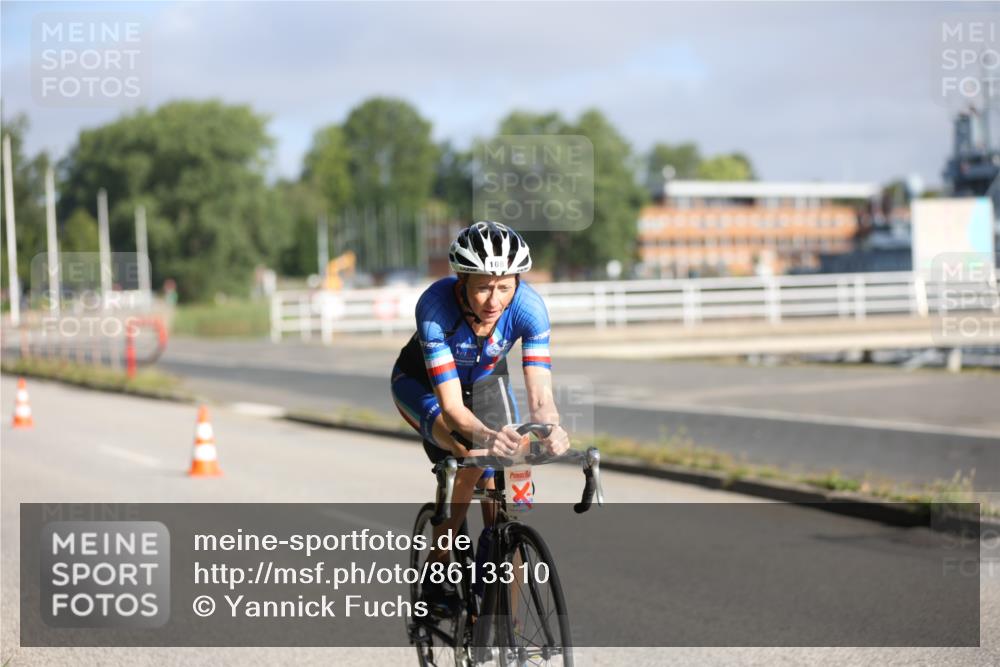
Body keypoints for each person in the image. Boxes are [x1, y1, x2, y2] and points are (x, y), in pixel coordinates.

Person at [390, 220, 570, 614]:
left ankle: (507, 623)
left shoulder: (530, 307)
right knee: (471, 454)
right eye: (484, 286)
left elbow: (540, 394)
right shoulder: (436, 308)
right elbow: (453, 408)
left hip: (487, 383)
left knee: (512, 475)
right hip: (424, 387)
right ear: (462, 281)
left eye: (504, 286)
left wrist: (553, 428)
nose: (494, 300)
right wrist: (487, 438)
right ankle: (437, 573)